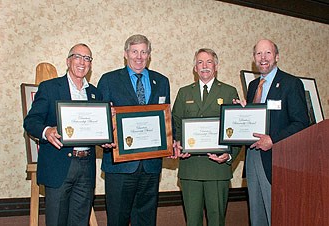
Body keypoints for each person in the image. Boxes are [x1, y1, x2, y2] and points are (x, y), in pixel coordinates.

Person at [23, 43, 102, 226]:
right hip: (58, 164)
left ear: (90, 64)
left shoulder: (95, 93)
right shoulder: (50, 88)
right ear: (68, 61)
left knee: (80, 220)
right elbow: (31, 122)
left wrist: (105, 139)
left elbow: (96, 128)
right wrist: (47, 131)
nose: (83, 62)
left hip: (86, 165)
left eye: (87, 58)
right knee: (57, 219)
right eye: (78, 56)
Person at [97, 34, 170, 226]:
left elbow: (166, 120)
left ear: (149, 55)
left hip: (151, 166)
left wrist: (172, 141)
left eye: (143, 52)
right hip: (120, 166)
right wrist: (105, 134)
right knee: (118, 219)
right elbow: (100, 120)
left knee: (146, 219)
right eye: (134, 51)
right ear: (125, 54)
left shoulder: (161, 81)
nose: (139, 56)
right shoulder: (109, 80)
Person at [236, 39, 309, 226]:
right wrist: (240, 113)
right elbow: (254, 119)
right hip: (252, 156)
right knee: (256, 214)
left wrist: (273, 140)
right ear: (254, 58)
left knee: (277, 214)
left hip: (277, 159)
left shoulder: (291, 83)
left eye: (268, 53)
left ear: (276, 56)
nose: (263, 58)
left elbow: (301, 123)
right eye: (259, 54)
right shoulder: (253, 86)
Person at [172, 48, 241, 226]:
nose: (204, 66)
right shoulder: (184, 92)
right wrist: (178, 145)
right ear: (195, 68)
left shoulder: (229, 92)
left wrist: (230, 155)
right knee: (192, 221)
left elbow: (237, 129)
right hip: (190, 167)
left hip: (217, 168)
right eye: (200, 62)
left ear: (216, 66)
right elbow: (175, 125)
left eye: (209, 62)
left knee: (216, 220)